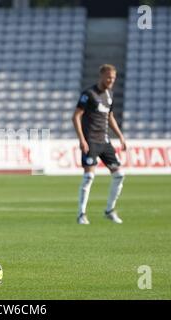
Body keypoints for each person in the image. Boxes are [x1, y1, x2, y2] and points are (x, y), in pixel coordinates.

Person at [72, 64, 127, 225]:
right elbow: (76, 116)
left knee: (119, 174)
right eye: (109, 77)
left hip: (105, 141)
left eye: (114, 78)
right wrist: (81, 139)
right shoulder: (88, 94)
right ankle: (81, 214)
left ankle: (109, 210)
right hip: (90, 141)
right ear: (101, 76)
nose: (111, 80)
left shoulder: (109, 95)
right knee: (89, 176)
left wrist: (121, 136)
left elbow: (110, 117)